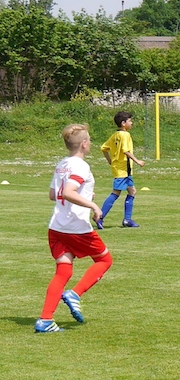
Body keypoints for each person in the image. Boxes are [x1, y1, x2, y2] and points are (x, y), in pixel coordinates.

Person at [36, 124, 114, 333]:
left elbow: (53, 195)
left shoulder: (62, 164)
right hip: (76, 227)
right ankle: (75, 293)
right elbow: (69, 192)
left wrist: (85, 195)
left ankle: (45, 320)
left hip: (57, 226)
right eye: (90, 140)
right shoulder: (81, 166)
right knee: (105, 260)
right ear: (84, 144)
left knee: (63, 271)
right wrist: (93, 205)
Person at [98, 111, 145, 229]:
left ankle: (127, 220)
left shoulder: (115, 135)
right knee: (116, 193)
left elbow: (104, 148)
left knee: (132, 191)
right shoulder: (125, 135)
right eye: (130, 121)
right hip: (123, 169)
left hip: (122, 169)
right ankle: (100, 217)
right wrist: (137, 161)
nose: (131, 123)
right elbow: (125, 151)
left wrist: (110, 160)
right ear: (123, 123)